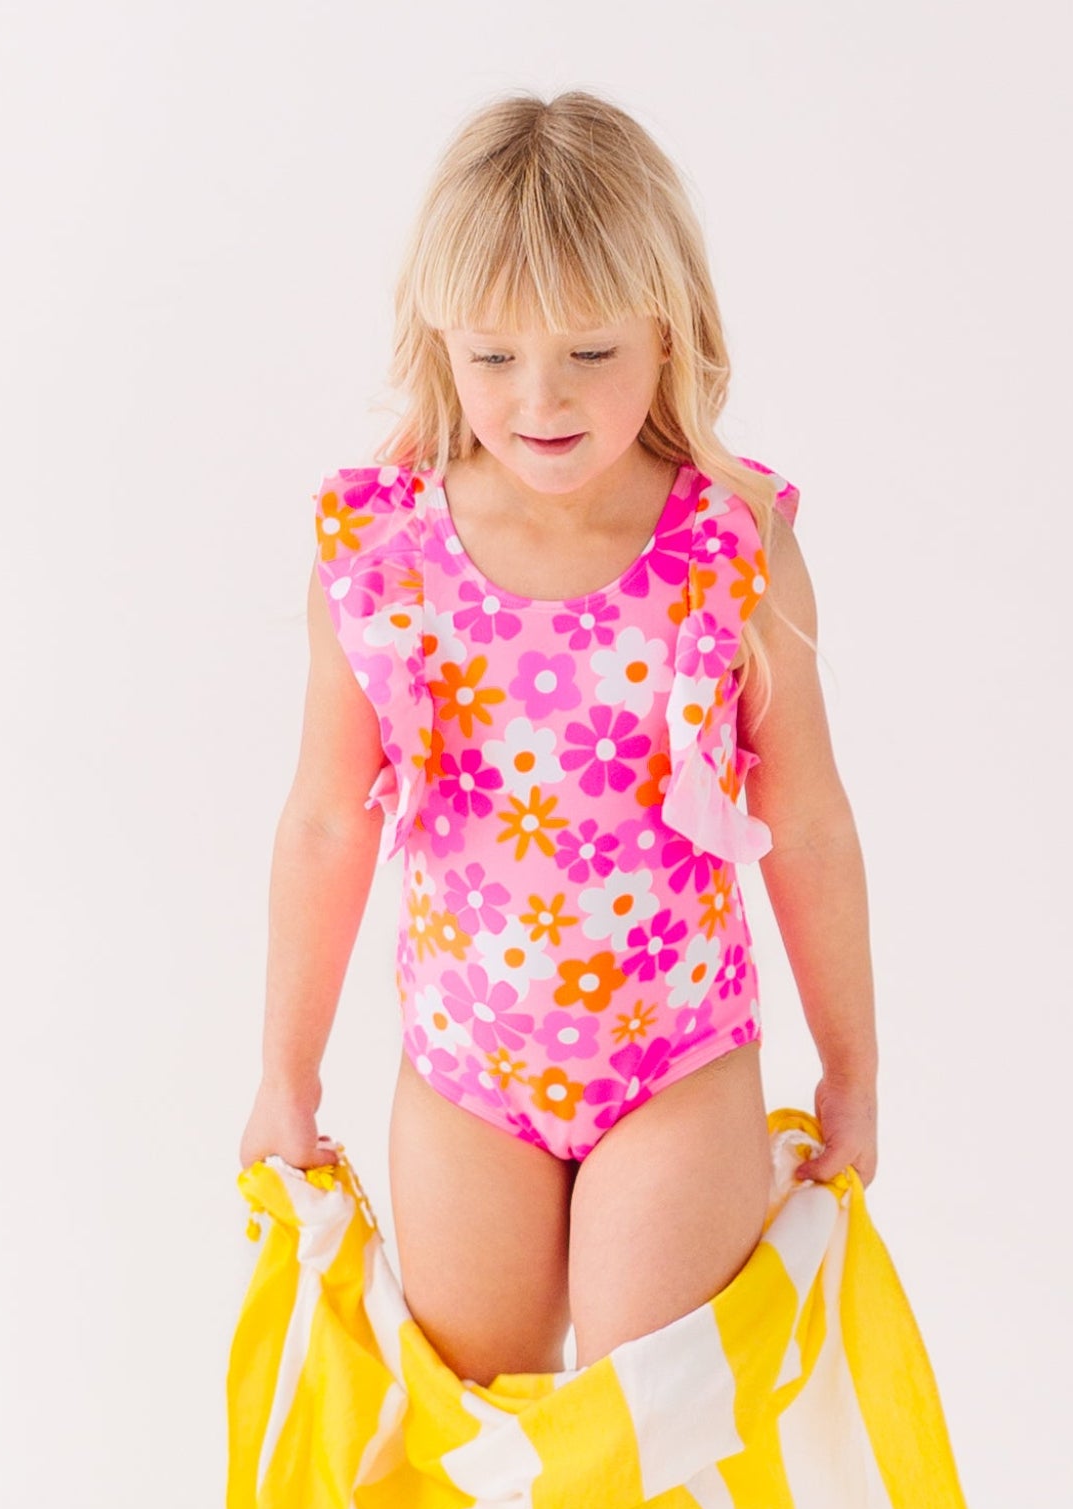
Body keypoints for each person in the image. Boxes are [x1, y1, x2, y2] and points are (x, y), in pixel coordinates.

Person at [238, 87, 878, 1389]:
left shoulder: (729, 553)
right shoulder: (385, 562)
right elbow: (320, 824)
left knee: (642, 1423)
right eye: (494, 357)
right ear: (441, 341)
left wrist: (853, 1065)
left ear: (667, 331)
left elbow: (806, 820)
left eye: (590, 352)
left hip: (677, 1058)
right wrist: (282, 1074)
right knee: (484, 1426)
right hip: (471, 1068)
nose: (541, 398)